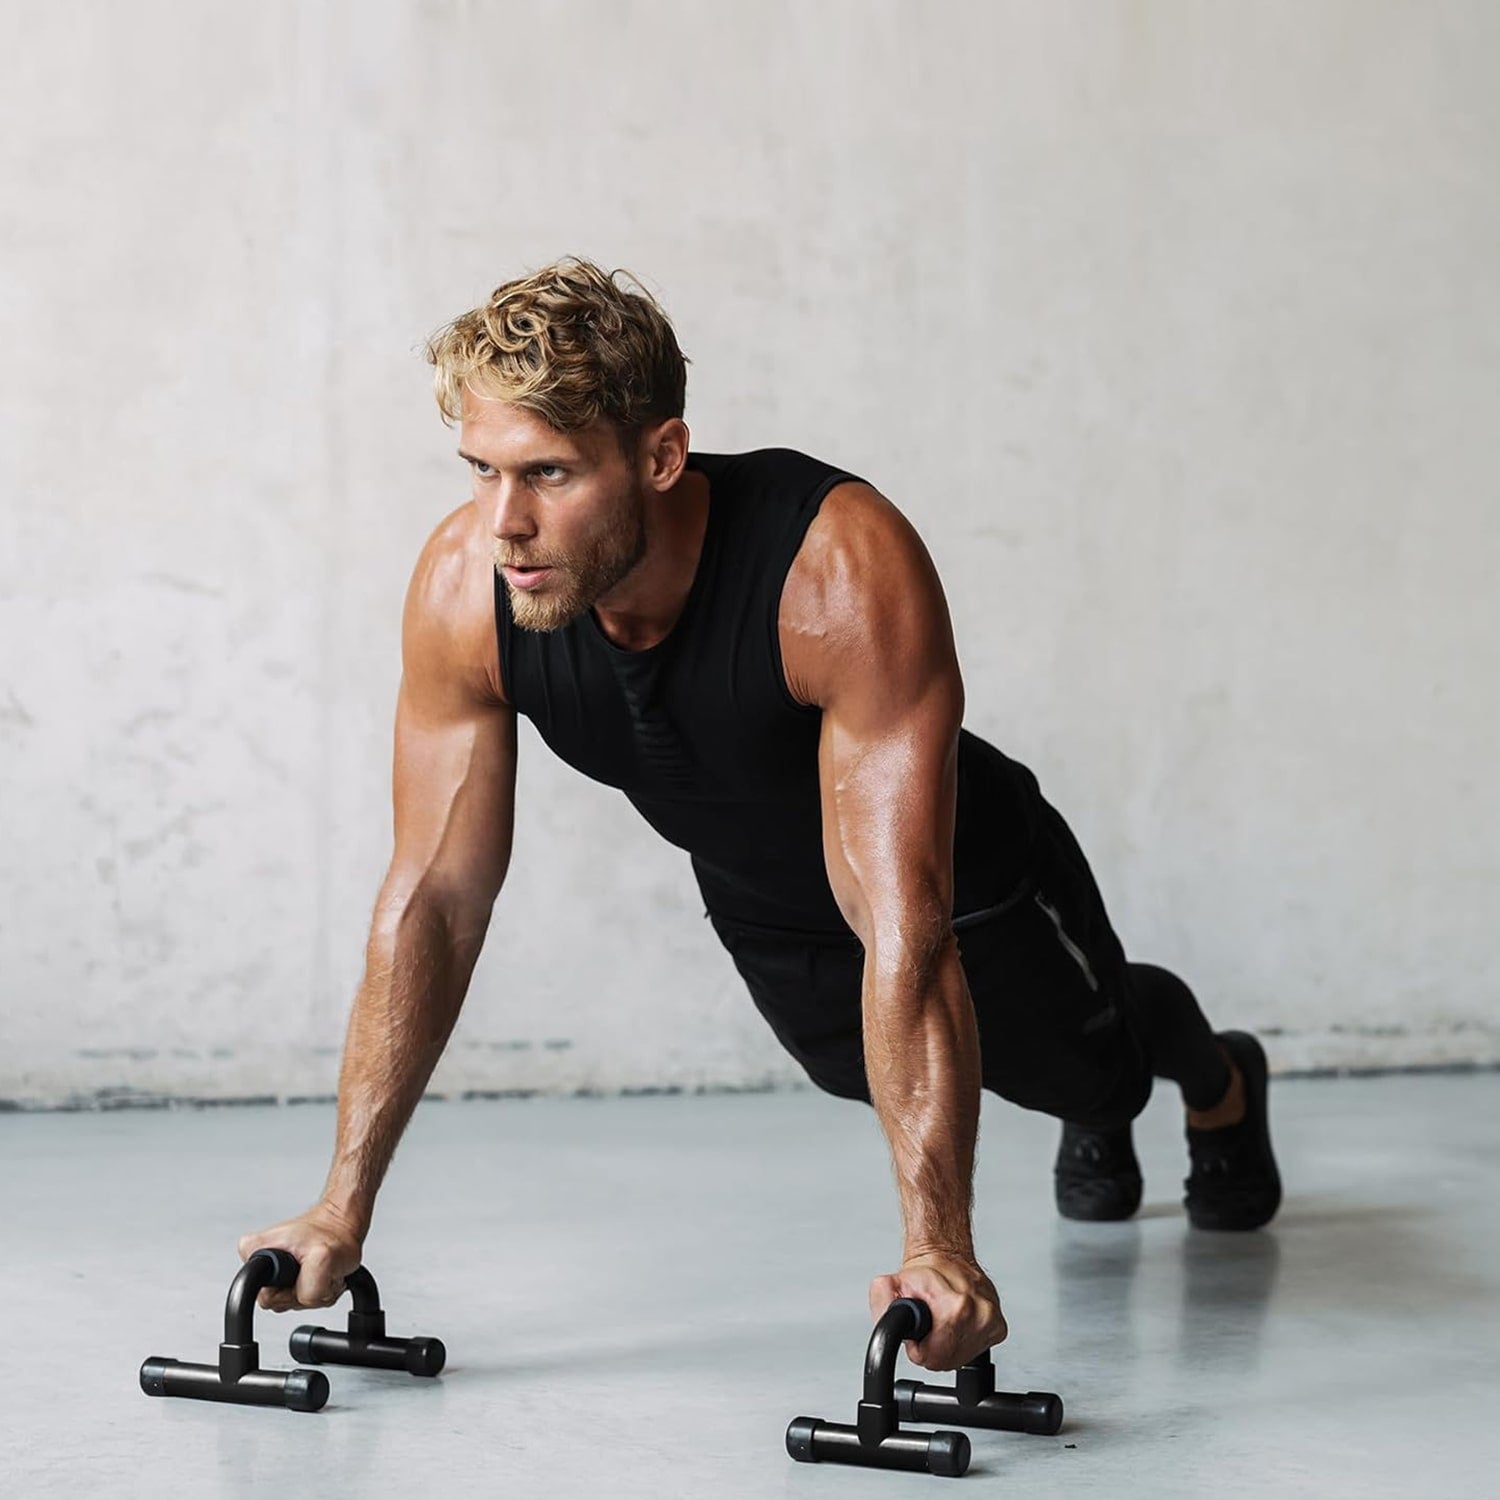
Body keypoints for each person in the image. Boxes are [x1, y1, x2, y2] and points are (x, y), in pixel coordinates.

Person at [239, 259, 1280, 1372]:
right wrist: (340, 1208)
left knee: (1096, 1070)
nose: (506, 524)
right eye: (482, 471)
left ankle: (1217, 1084)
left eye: (548, 473)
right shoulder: (467, 589)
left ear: (662, 456)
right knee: (854, 1071)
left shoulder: (833, 567)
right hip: (763, 892)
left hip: (967, 882)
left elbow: (903, 923)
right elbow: (434, 900)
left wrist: (939, 1250)